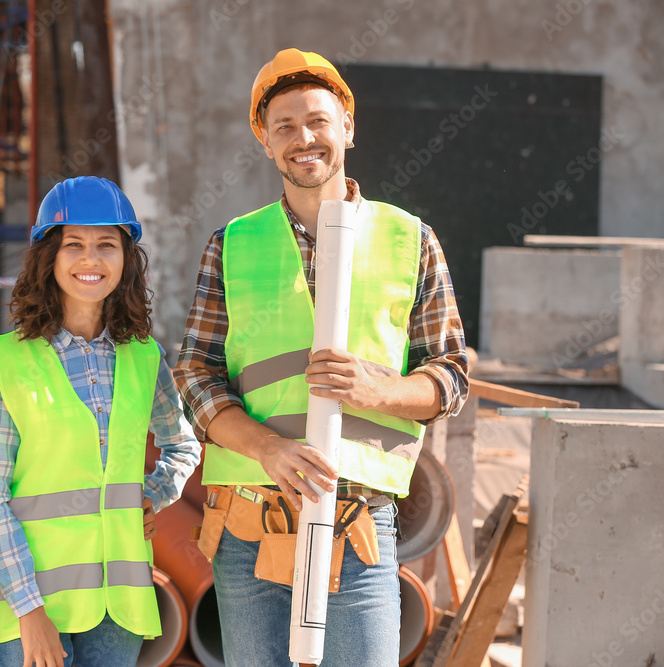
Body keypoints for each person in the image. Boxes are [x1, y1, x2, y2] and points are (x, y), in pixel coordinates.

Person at [173, 48, 469, 666]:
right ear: (264, 140)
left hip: (358, 523)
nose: (303, 139)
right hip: (247, 525)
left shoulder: (409, 238)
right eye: (284, 126)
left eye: (317, 122)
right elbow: (195, 376)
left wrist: (379, 390)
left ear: (347, 129)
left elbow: (451, 376)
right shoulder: (232, 244)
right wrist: (267, 449)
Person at [0, 176, 201, 667]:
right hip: (32, 602)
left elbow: (183, 444)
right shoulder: (5, 360)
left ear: (126, 259)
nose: (90, 259)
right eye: (73, 244)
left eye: (106, 245)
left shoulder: (144, 358)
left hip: (121, 606)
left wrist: (153, 494)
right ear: (48, 257)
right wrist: (29, 611)